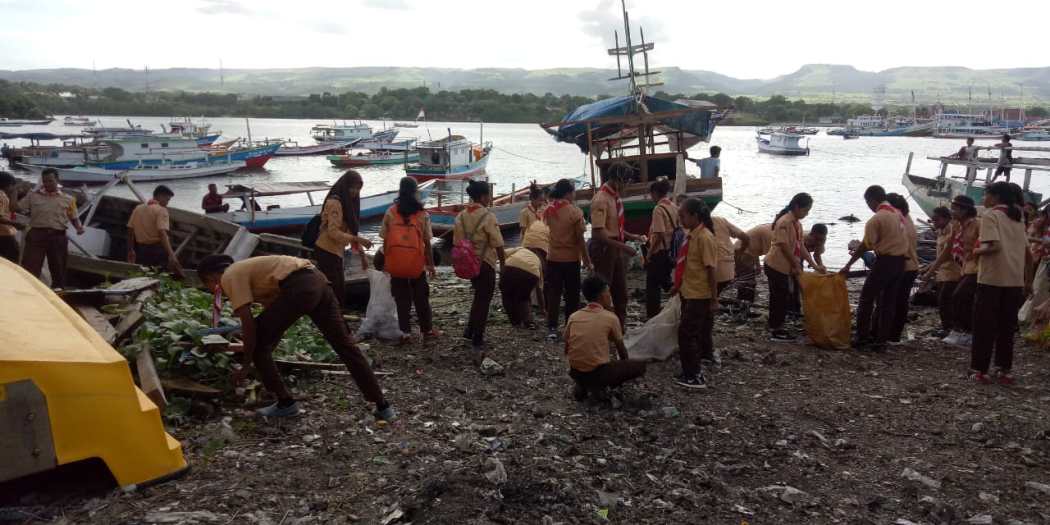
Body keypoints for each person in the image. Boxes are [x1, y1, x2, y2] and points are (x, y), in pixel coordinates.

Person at [197, 254, 395, 420]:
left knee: (257, 345)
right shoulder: (254, 269)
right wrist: (263, 345)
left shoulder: (229, 276)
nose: (216, 289)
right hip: (318, 281)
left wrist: (246, 364)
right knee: (345, 346)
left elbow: (249, 324)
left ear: (212, 277)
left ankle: (285, 403)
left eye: (209, 285)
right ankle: (383, 406)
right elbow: (273, 313)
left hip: (300, 287)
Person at [969, 182, 1032, 384]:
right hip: (1013, 280)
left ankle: (980, 370)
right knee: (1006, 327)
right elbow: (1028, 253)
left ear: (995, 197)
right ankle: (1004, 369)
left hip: (992, 278)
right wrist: (1027, 280)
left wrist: (975, 251)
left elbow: (993, 246)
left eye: (986, 195)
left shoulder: (991, 215)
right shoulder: (1018, 217)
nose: (983, 199)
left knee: (984, 326)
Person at [840, 185, 910, 351]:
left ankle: (862, 337)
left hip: (885, 261)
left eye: (867, 202)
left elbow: (866, 245)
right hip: (900, 262)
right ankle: (881, 340)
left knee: (866, 298)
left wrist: (848, 265)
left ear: (871, 200)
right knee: (888, 302)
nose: (868, 206)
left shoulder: (877, 219)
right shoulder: (898, 214)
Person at [565, 275, 646, 402]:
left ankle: (583, 384)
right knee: (640, 366)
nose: (610, 296)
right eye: (608, 293)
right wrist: (625, 365)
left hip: (575, 372)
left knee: (594, 363)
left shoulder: (574, 316)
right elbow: (621, 350)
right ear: (602, 296)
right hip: (598, 374)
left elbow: (567, 347)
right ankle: (599, 387)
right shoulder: (610, 317)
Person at [379, 177, 438, 344]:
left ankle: (404, 332)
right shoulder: (422, 214)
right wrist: (431, 265)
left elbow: (384, 238)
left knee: (401, 298)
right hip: (416, 264)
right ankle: (426, 330)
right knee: (421, 297)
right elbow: (427, 242)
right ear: (415, 192)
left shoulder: (391, 212)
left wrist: (386, 261)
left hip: (396, 263)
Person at [453, 179, 506, 357]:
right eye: (489, 195)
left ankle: (469, 330)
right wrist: (503, 266)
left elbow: (457, 242)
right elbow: (498, 243)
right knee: (484, 300)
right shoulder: (488, 216)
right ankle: (477, 338)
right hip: (485, 263)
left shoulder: (461, 215)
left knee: (478, 297)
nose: (490, 198)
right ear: (483, 196)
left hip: (468, 263)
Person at [589, 167, 647, 329]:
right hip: (604, 249)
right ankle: (601, 327)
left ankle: (618, 328)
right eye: (626, 182)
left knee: (621, 293)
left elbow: (614, 227)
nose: (627, 186)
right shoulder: (601, 199)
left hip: (615, 247)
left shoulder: (614, 197)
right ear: (617, 180)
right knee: (602, 292)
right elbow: (598, 234)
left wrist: (632, 236)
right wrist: (624, 247)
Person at [671, 198, 718, 389]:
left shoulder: (705, 237)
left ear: (695, 216)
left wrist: (714, 299)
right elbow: (689, 265)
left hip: (699, 294)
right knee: (690, 332)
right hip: (689, 290)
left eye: (683, 215)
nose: (680, 219)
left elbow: (711, 270)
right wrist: (678, 285)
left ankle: (694, 375)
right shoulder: (692, 235)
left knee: (687, 333)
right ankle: (691, 368)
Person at [766, 193, 825, 341]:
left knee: (783, 296)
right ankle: (776, 330)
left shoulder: (797, 224)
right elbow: (784, 247)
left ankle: (776, 325)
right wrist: (795, 265)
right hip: (775, 265)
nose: (806, 213)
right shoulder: (784, 222)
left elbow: (801, 247)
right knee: (780, 297)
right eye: (805, 210)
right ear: (797, 207)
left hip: (784, 266)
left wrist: (814, 266)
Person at [18, 168, 84, 288]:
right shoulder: (33, 196)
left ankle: (58, 293)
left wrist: (79, 228)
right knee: (31, 267)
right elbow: (18, 208)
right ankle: (29, 291)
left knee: (58, 269)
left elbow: (73, 217)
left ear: (57, 180)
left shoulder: (69, 199)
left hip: (57, 236)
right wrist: (14, 193)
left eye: (50, 181)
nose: (47, 184)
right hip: (36, 236)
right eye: (44, 181)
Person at [315, 170, 372, 308]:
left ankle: (336, 317)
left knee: (339, 290)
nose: (355, 192)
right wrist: (359, 240)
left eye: (358, 189)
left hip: (336, 252)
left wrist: (363, 255)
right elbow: (333, 232)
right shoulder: (335, 202)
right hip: (326, 250)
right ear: (346, 186)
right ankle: (334, 319)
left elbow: (351, 229)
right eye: (353, 188)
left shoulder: (347, 203)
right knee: (335, 291)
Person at [544, 178, 592, 342]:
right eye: (573, 192)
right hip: (571, 259)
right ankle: (569, 327)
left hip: (552, 258)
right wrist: (587, 260)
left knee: (554, 294)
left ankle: (551, 328)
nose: (574, 195)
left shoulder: (549, 210)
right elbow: (580, 240)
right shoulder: (575, 212)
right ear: (568, 193)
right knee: (572, 295)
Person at [919, 206, 962, 338]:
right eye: (932, 220)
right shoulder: (941, 232)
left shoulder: (951, 232)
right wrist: (928, 267)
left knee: (945, 300)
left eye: (937, 220)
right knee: (943, 300)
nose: (934, 223)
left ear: (946, 218)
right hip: (943, 273)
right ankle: (948, 326)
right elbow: (940, 256)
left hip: (952, 272)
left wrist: (929, 272)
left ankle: (950, 328)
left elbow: (947, 255)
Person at [884, 193, 919, 343]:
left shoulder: (897, 220)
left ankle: (888, 334)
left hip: (902, 267)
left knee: (891, 302)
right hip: (912, 266)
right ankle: (894, 334)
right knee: (901, 302)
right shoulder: (908, 219)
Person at [644, 178, 679, 319]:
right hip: (670, 251)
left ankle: (652, 317)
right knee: (664, 281)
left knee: (652, 287)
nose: (650, 197)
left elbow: (659, 234)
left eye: (651, 194)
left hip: (659, 252)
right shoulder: (674, 206)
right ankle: (679, 302)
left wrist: (649, 254)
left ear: (655, 193)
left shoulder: (658, 209)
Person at [501, 246, 543, 329]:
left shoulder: (520, 249)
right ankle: (529, 322)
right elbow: (539, 289)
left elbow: (501, 253)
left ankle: (515, 322)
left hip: (510, 267)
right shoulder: (538, 262)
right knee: (524, 298)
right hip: (531, 273)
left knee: (507, 295)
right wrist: (542, 308)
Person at [734, 223, 773, 310]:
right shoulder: (771, 235)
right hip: (742, 251)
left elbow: (755, 247)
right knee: (747, 280)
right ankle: (743, 306)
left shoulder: (769, 228)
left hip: (744, 250)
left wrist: (758, 265)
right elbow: (770, 256)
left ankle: (743, 305)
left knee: (747, 280)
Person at [712, 215, 749, 297]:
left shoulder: (697, 226)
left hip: (713, 272)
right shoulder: (720, 220)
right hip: (728, 271)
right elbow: (746, 238)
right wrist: (739, 253)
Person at [0, 171, 25, 263]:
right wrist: (15, 224)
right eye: (12, 186)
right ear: (8, 185)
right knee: (13, 258)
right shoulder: (2, 197)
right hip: (4, 233)